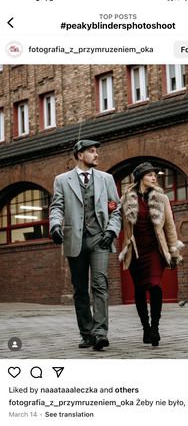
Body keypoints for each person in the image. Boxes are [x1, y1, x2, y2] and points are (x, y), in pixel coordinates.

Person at [49, 139, 121, 351]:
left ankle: (100, 333)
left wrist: (111, 230)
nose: (96, 155)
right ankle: (87, 333)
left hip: (100, 238)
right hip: (75, 240)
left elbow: (115, 209)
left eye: (96, 151)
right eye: (91, 151)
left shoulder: (106, 179)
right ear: (80, 155)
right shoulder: (62, 180)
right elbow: (57, 207)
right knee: (80, 289)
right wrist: (54, 225)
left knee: (99, 284)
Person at [119, 162, 184, 346]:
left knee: (155, 286)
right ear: (140, 177)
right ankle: (145, 327)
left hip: (154, 249)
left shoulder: (161, 198)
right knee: (140, 290)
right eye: (149, 175)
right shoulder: (126, 198)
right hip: (136, 251)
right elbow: (118, 220)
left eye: (155, 174)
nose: (154, 177)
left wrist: (173, 250)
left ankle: (155, 327)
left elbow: (169, 226)